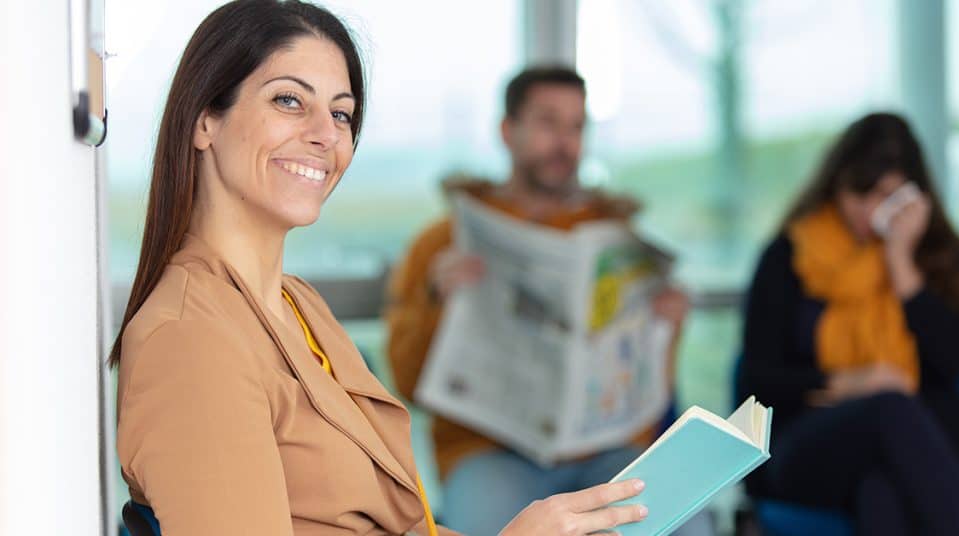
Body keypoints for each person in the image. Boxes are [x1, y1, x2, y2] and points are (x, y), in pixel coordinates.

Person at [112, 2, 651, 534]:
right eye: (289, 101)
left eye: (341, 113)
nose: (327, 135)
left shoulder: (299, 306)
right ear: (205, 120)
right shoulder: (191, 340)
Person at [387, 67, 712, 536]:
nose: (564, 142)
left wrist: (669, 329)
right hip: (487, 453)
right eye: (547, 122)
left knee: (684, 522)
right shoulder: (444, 242)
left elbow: (650, 392)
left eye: (577, 127)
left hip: (608, 452)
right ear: (507, 130)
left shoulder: (619, 242)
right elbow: (408, 384)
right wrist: (435, 300)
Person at [738, 112, 959, 536]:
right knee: (890, 407)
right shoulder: (789, 256)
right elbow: (756, 382)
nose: (871, 211)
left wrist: (901, 265)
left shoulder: (939, 256)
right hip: (808, 447)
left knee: (882, 492)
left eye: (887, 196)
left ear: (916, 195)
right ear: (836, 183)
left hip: (920, 453)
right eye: (860, 193)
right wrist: (851, 383)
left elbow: (952, 359)